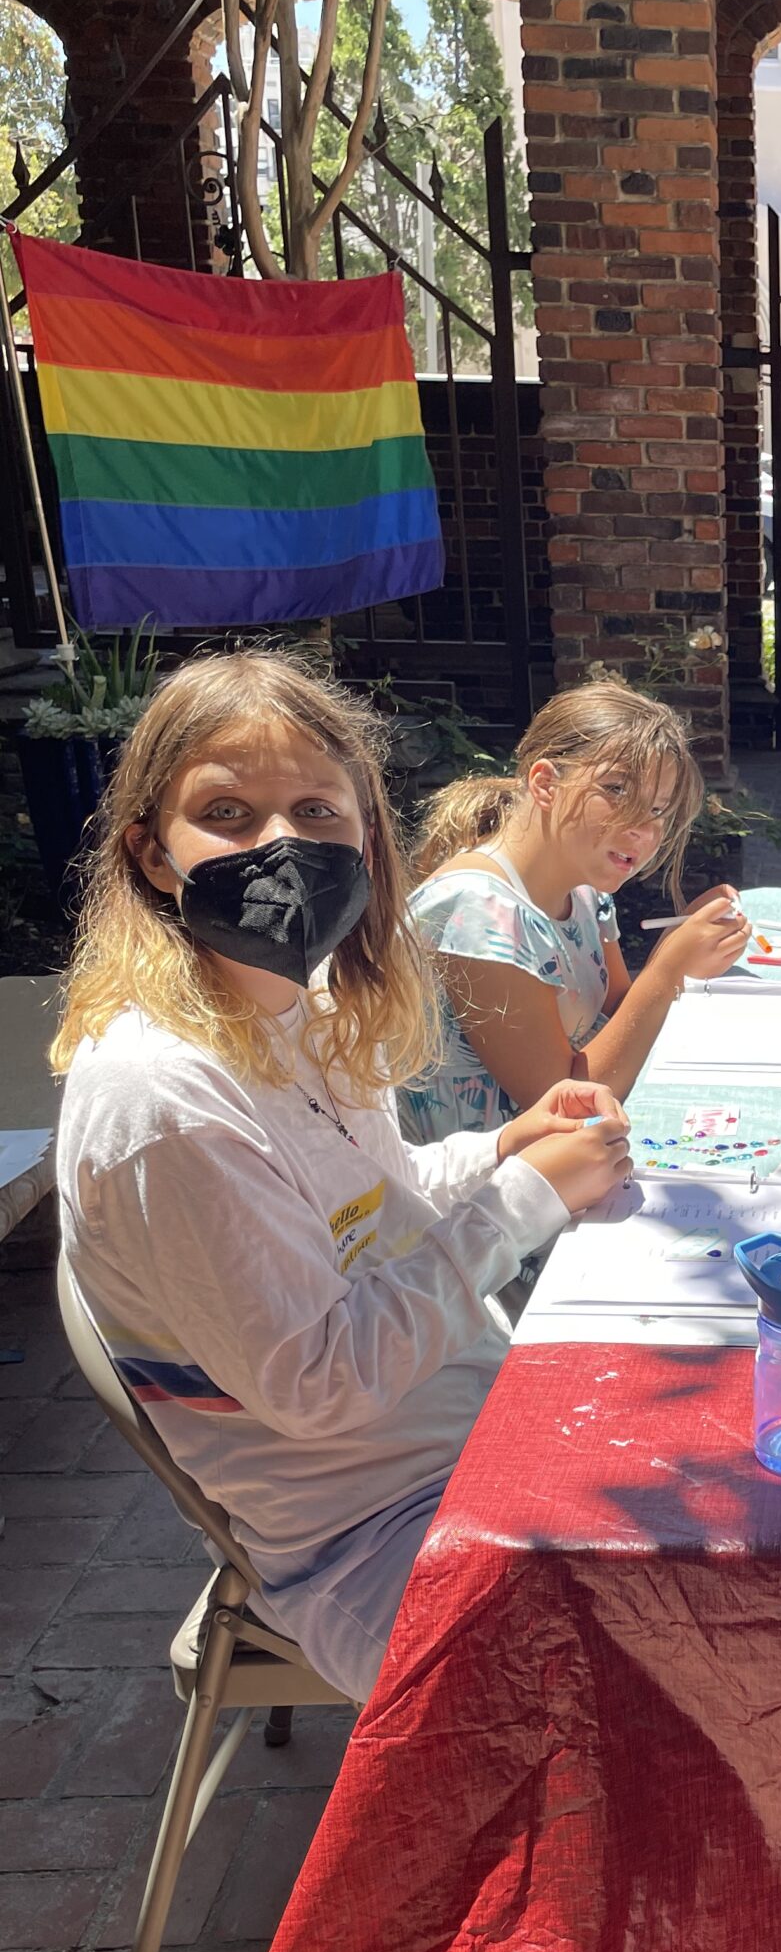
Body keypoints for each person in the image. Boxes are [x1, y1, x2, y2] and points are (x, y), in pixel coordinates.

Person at [53, 652, 634, 1703]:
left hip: (471, 1427)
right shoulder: (165, 1100)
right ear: (151, 854)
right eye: (226, 814)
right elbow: (320, 1382)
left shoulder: (302, 1005)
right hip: (373, 1534)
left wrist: (505, 1147)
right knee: (676, 1662)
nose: (279, 844)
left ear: (367, 838)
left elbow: (375, 1196)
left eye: (317, 810)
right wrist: (527, 1199)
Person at [401, 679, 750, 1141]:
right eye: (617, 790)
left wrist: (679, 951)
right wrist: (668, 972)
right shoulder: (479, 914)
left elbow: (620, 1016)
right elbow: (564, 1104)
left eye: (658, 810)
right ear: (545, 783)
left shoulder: (584, 893)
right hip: (484, 1178)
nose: (644, 830)